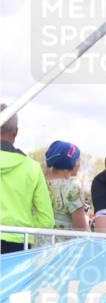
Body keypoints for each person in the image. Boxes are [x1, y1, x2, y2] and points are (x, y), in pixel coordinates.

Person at [0, 105, 53, 253]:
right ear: (15, 133)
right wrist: (23, 226)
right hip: (17, 244)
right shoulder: (33, 168)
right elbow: (46, 220)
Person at [44, 140, 89, 231]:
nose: (79, 164)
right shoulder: (73, 189)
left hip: (38, 243)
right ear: (71, 162)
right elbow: (81, 230)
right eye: (78, 160)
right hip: (63, 244)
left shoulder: (40, 183)